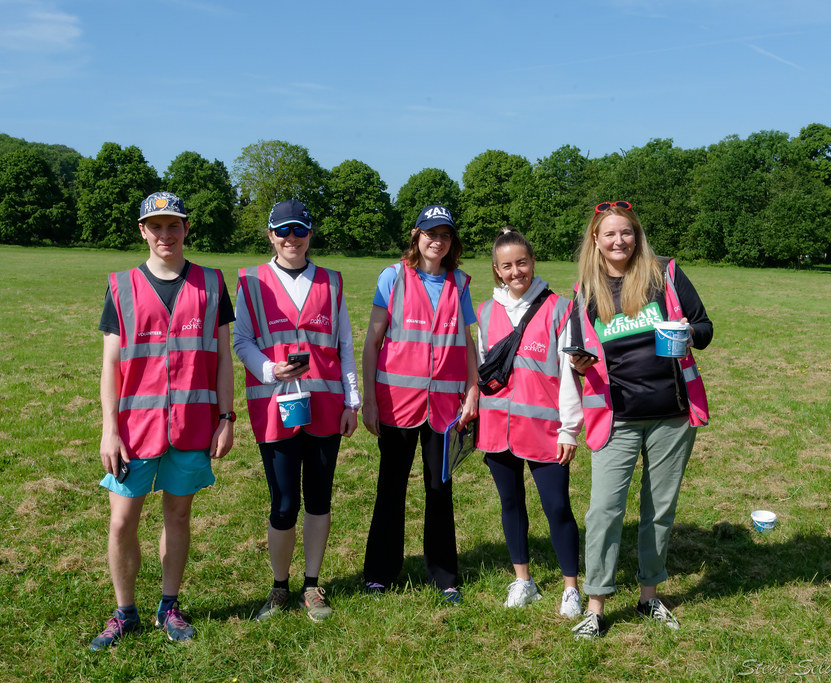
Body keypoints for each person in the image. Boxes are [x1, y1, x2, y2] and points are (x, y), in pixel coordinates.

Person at [90, 191, 236, 650]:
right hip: (135, 430)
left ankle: (169, 606)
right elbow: (111, 364)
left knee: (178, 514)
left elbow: (224, 360)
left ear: (186, 229)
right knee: (121, 522)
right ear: (143, 231)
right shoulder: (121, 285)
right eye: (156, 226)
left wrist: (227, 417)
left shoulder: (212, 284)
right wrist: (109, 429)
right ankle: (124, 611)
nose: (165, 234)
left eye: (173, 225)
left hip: (192, 426)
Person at [568, 200, 712, 639]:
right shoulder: (585, 292)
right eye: (610, 234)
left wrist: (688, 332)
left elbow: (704, 329)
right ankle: (596, 604)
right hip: (617, 418)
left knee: (659, 510)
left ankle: (649, 595)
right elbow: (575, 354)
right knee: (604, 511)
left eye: (626, 232)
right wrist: (578, 363)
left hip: (671, 415)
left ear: (637, 235)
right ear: (596, 239)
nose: (619, 241)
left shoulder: (664, 274)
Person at [233, 199, 359, 623]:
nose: (292, 239)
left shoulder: (332, 281)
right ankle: (279, 586)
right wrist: (270, 369)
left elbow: (344, 345)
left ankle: (312, 585)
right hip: (274, 405)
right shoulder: (251, 281)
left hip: (325, 405)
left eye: (299, 231)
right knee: (284, 502)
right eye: (283, 231)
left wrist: (352, 402)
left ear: (310, 234)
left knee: (319, 498)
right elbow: (242, 341)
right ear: (270, 235)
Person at [361, 204, 479, 604]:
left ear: (451, 242)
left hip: (444, 409)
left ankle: (444, 575)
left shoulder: (459, 282)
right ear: (416, 236)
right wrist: (370, 401)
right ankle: (379, 573)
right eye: (431, 233)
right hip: (396, 403)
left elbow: (467, 342)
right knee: (390, 488)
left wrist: (473, 388)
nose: (437, 241)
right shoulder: (393, 277)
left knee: (439, 489)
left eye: (445, 235)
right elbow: (372, 342)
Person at [475, 227, 584, 619]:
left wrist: (570, 428)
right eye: (507, 265)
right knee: (510, 503)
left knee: (557, 507)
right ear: (496, 270)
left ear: (532, 262)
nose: (516, 271)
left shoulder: (559, 307)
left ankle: (571, 587)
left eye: (522, 262)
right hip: (496, 428)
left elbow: (570, 373)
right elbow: (483, 368)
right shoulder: (485, 312)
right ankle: (523, 579)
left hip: (545, 431)